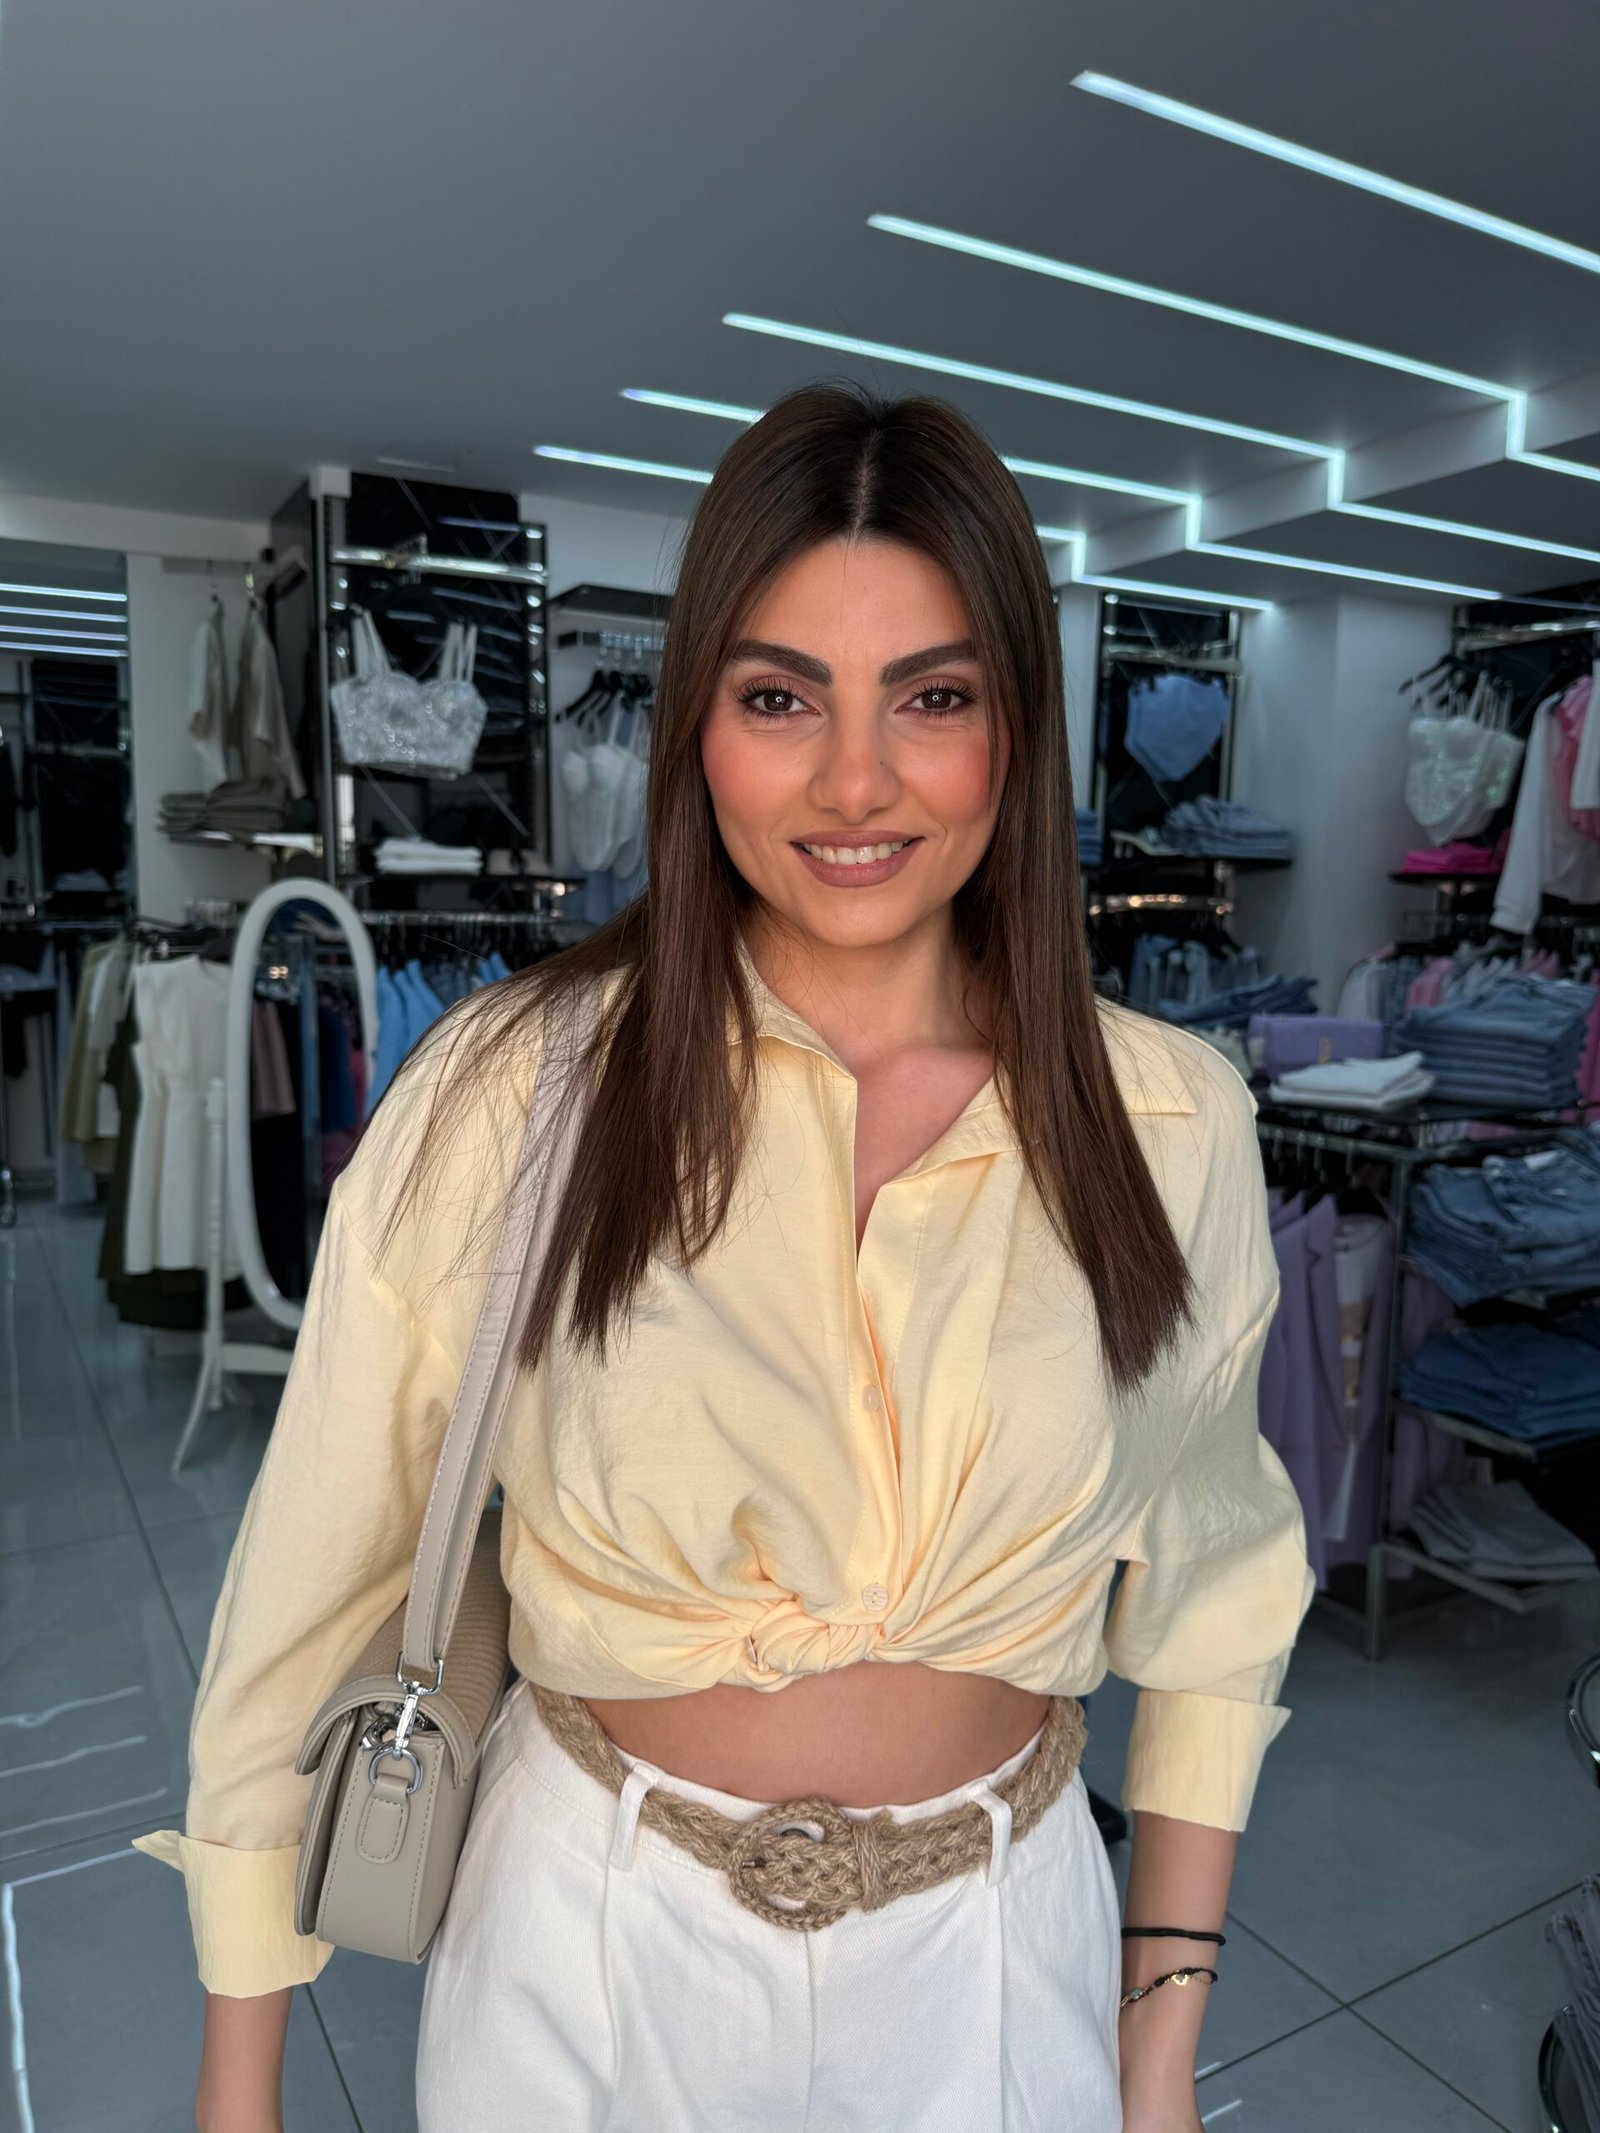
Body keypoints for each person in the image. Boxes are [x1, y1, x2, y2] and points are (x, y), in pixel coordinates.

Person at [137, 384, 1313, 2133]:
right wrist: (239, 2087)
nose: (856, 780)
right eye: (781, 697)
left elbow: (1216, 1586)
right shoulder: (515, 1086)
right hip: (588, 1948)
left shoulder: (1171, 1124)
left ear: (1016, 726)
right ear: (696, 720)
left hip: (1002, 1954)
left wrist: (1159, 2040)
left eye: (932, 697)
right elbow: (318, 1569)